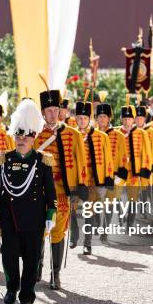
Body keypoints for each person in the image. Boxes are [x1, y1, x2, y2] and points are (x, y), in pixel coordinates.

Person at [0, 99, 57, 304]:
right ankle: (12, 288)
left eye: (25, 137)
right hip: (9, 216)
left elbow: (50, 192)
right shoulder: (4, 159)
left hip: (35, 218)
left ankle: (27, 296)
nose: (20, 140)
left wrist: (50, 215)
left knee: (31, 260)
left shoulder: (42, 160)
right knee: (9, 256)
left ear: (33, 138)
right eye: (18, 136)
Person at [34, 89, 86, 289]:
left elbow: (80, 163)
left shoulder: (72, 134)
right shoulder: (36, 134)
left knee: (58, 232)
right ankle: (37, 267)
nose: (53, 114)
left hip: (62, 191)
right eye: (48, 110)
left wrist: (79, 189)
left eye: (56, 109)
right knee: (39, 231)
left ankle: (55, 274)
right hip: (40, 193)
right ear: (42, 112)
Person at [70, 91, 114, 255]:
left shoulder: (101, 136)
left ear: (90, 119)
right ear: (75, 119)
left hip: (93, 179)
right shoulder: (71, 135)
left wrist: (106, 182)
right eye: (79, 118)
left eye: (85, 118)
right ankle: (74, 234)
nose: (82, 121)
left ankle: (87, 242)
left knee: (89, 210)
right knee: (71, 209)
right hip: (75, 179)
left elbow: (108, 160)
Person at [115, 104, 153, 227]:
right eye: (125, 119)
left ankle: (130, 223)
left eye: (129, 119)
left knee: (133, 198)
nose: (127, 121)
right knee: (116, 195)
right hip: (120, 170)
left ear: (134, 119)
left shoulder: (141, 133)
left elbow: (146, 153)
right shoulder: (116, 132)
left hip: (134, 171)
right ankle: (121, 215)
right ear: (121, 119)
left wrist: (145, 171)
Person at [95, 92, 124, 240]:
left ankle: (104, 230)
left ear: (109, 118)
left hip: (114, 175)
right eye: (99, 116)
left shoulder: (118, 135)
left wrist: (121, 175)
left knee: (109, 204)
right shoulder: (91, 134)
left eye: (105, 116)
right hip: (97, 175)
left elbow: (124, 156)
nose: (102, 119)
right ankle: (97, 224)